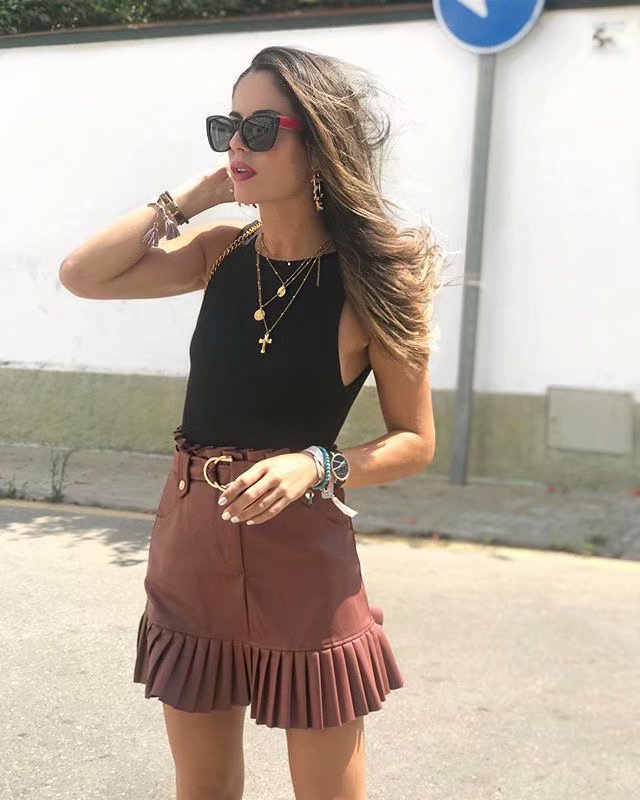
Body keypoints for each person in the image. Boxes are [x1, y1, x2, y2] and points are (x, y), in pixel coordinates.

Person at [59, 45, 441, 800]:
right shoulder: (219, 254)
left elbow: (416, 441)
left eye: (260, 129)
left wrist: (319, 464)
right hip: (191, 543)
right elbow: (82, 275)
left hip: (303, 555)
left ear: (319, 142)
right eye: (228, 127)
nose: (238, 144)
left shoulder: (375, 280)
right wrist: (194, 196)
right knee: (201, 787)